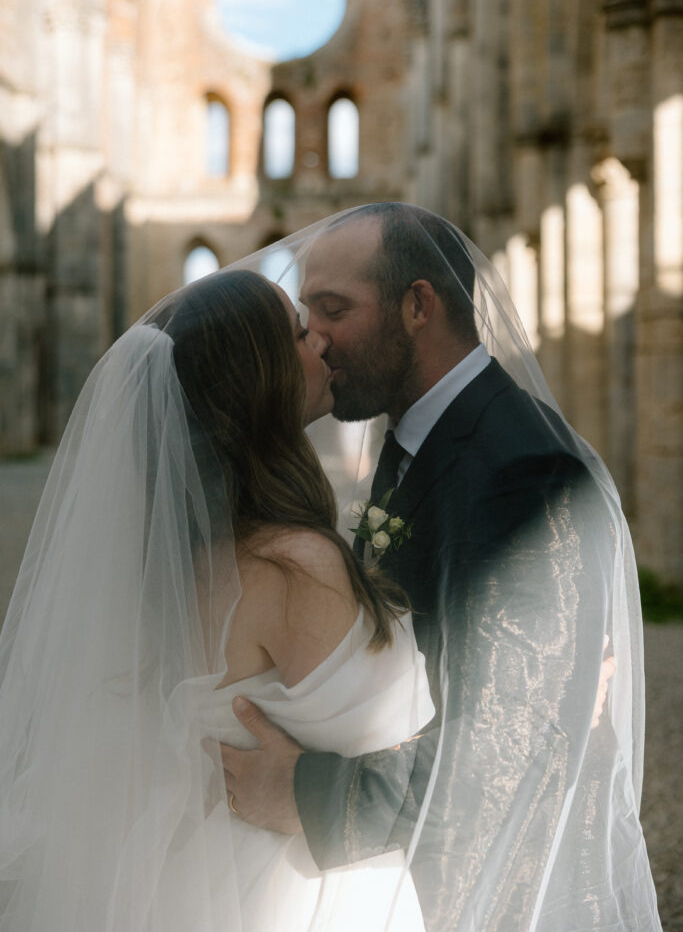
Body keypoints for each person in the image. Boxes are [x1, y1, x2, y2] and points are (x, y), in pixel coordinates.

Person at [221, 204, 662, 931]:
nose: (316, 338)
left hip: (513, 893)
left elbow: (509, 747)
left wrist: (303, 791)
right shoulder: (424, 436)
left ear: (417, 305)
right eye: (308, 313)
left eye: (333, 309)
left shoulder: (524, 474)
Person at [0, 268, 434, 932]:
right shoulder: (293, 566)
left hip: (201, 880)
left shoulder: (176, 560)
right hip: (305, 893)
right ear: (254, 381)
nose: (318, 339)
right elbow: (400, 740)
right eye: (296, 332)